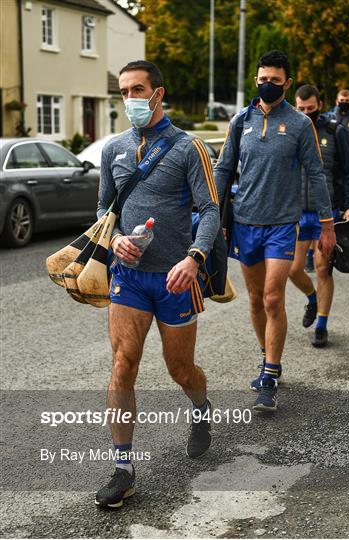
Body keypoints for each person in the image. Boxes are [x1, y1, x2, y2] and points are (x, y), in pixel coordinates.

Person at [95, 60, 220, 508]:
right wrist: (116, 239)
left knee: (180, 370)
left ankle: (202, 409)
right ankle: (123, 468)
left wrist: (194, 258)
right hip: (127, 277)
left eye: (137, 90)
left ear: (157, 94)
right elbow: (103, 211)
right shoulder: (113, 149)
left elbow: (210, 210)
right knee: (123, 363)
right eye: (123, 91)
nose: (129, 98)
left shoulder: (190, 147)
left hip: (176, 278)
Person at [214, 50, 335, 412]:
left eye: (275, 80)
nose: (268, 85)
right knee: (253, 299)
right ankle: (268, 354)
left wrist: (327, 224)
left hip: (283, 224)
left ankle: (269, 374)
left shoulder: (300, 124)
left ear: (287, 82)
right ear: (256, 79)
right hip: (245, 221)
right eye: (262, 79)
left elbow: (316, 173)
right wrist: (214, 215)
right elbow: (224, 169)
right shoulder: (240, 122)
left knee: (271, 297)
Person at [290, 85, 349, 347]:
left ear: (320, 104)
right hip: (296, 213)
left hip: (325, 214)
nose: (307, 113)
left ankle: (322, 324)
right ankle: (312, 299)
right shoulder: (291, 130)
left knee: (322, 268)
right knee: (293, 270)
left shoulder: (335, 131)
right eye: (301, 109)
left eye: (311, 108)